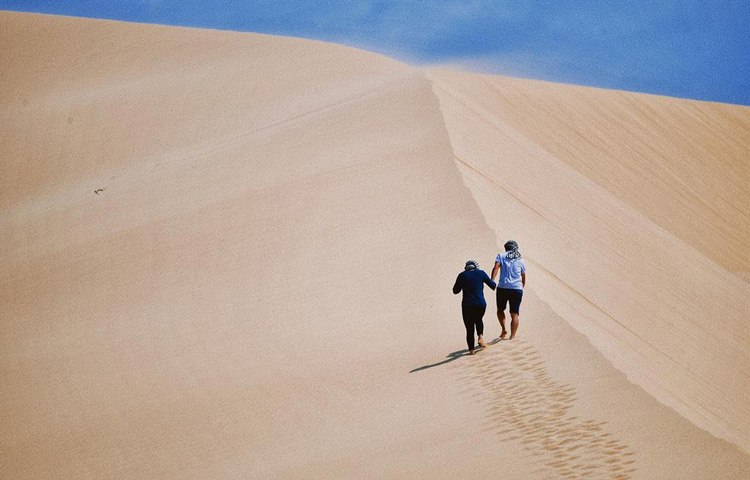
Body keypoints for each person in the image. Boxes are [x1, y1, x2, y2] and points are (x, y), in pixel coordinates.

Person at [453, 260, 496, 354]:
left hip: (467, 305)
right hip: (481, 304)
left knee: (469, 328)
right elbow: (493, 285)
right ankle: (480, 336)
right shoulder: (481, 273)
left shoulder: (462, 275)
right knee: (479, 319)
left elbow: (455, 291)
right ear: (476, 267)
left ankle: (471, 350)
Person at [491, 240, 527, 340]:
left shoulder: (501, 256)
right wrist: (521, 287)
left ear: (506, 248)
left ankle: (503, 329)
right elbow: (523, 275)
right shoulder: (520, 260)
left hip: (503, 287)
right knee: (514, 314)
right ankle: (512, 337)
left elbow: (496, 267)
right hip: (516, 289)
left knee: (500, 309)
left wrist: (492, 281)